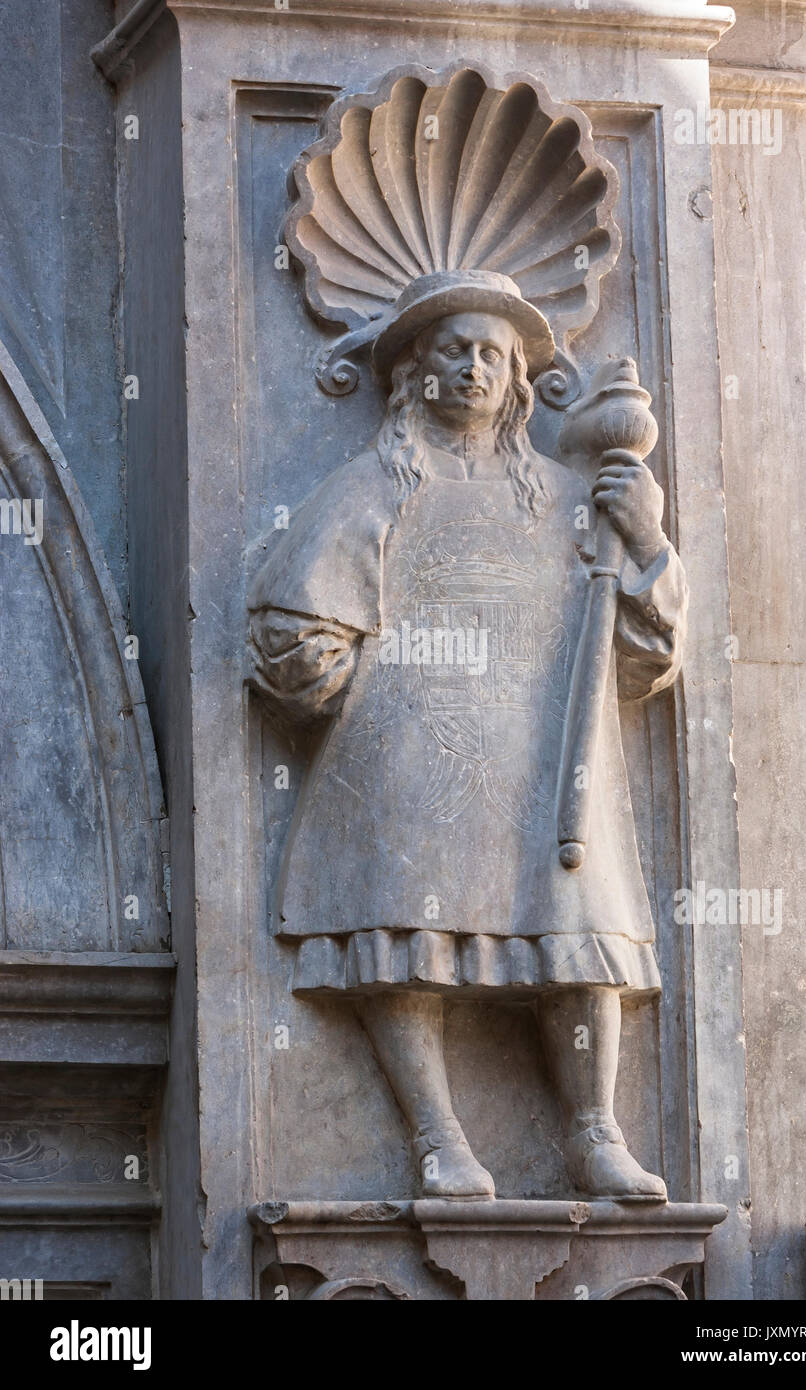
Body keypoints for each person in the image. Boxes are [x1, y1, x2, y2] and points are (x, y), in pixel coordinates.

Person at [249, 272, 687, 1200]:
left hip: (544, 753)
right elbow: (293, 622)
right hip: (411, 750)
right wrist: (325, 668)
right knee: (406, 926)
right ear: (416, 371)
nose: (478, 365)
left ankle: (595, 1128)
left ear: (520, 378)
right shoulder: (374, 486)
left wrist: (647, 547)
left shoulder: (570, 502)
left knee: (582, 928)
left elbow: (643, 659)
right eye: (456, 348)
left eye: (495, 351)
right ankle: (439, 1136)